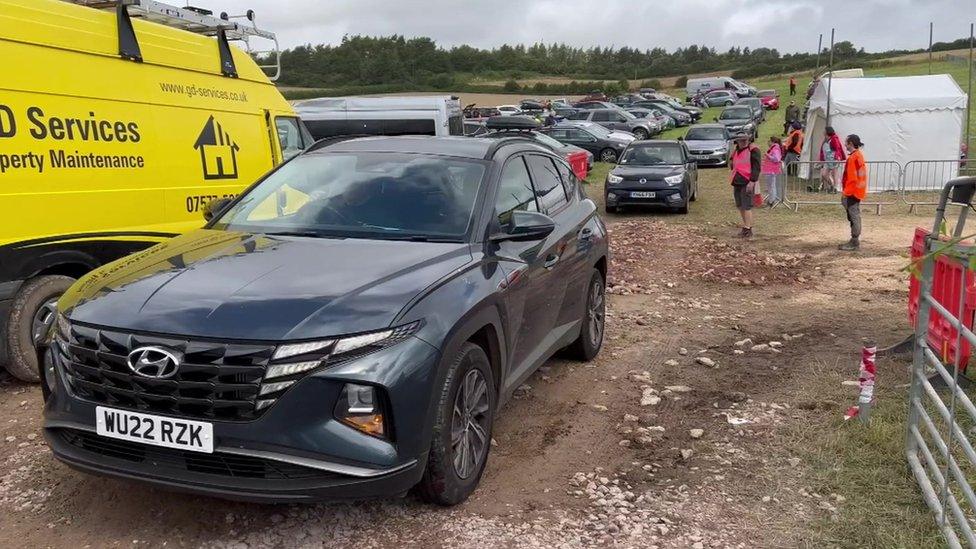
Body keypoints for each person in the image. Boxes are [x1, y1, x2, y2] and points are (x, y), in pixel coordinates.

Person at [729, 132, 761, 238]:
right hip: (737, 180)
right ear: (737, 141)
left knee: (747, 206)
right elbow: (732, 163)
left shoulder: (753, 150)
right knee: (740, 205)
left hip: (747, 181)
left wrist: (752, 181)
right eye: (741, 140)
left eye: (745, 140)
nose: (743, 142)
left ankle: (748, 228)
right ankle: (745, 225)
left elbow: (756, 167)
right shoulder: (736, 151)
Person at [839, 134, 867, 251]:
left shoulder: (852, 158)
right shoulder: (858, 155)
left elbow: (852, 179)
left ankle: (854, 241)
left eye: (846, 142)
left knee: (853, 216)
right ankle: (854, 239)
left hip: (853, 192)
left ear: (850, 143)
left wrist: (845, 193)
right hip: (858, 191)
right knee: (855, 215)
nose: (845, 144)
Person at [818, 126, 846, 193]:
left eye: (824, 130)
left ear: (827, 131)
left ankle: (835, 188)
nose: (823, 131)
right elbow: (822, 150)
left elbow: (837, 149)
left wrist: (837, 157)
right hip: (827, 160)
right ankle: (832, 185)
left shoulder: (834, 139)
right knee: (824, 174)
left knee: (834, 173)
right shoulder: (826, 139)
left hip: (834, 159)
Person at [761, 136, 784, 207]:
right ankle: (771, 199)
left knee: (771, 186)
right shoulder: (774, 148)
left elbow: (776, 159)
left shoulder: (775, 149)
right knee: (771, 186)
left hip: (772, 170)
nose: (768, 142)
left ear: (773, 142)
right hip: (770, 170)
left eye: (769, 141)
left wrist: (767, 155)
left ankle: (772, 200)